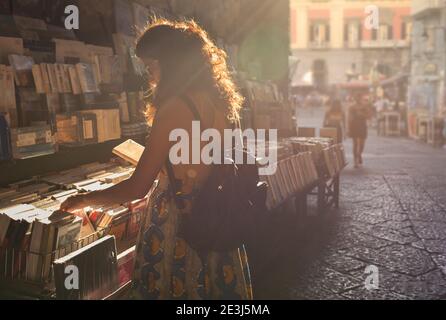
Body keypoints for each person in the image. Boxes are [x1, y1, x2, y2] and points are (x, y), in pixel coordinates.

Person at [60, 19, 253, 300]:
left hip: (179, 223)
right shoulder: (220, 101)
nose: (150, 77)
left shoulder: (175, 108)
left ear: (169, 63)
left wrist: (83, 200)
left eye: (151, 67)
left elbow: (137, 188)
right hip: (217, 215)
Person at [348, 95, 369, 168]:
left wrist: (362, 114)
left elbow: (369, 115)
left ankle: (359, 154)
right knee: (355, 144)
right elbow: (349, 117)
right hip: (354, 125)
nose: (358, 99)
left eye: (359, 98)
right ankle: (355, 161)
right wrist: (348, 128)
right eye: (357, 98)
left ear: (361, 98)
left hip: (362, 125)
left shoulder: (365, 106)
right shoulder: (352, 107)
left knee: (362, 144)